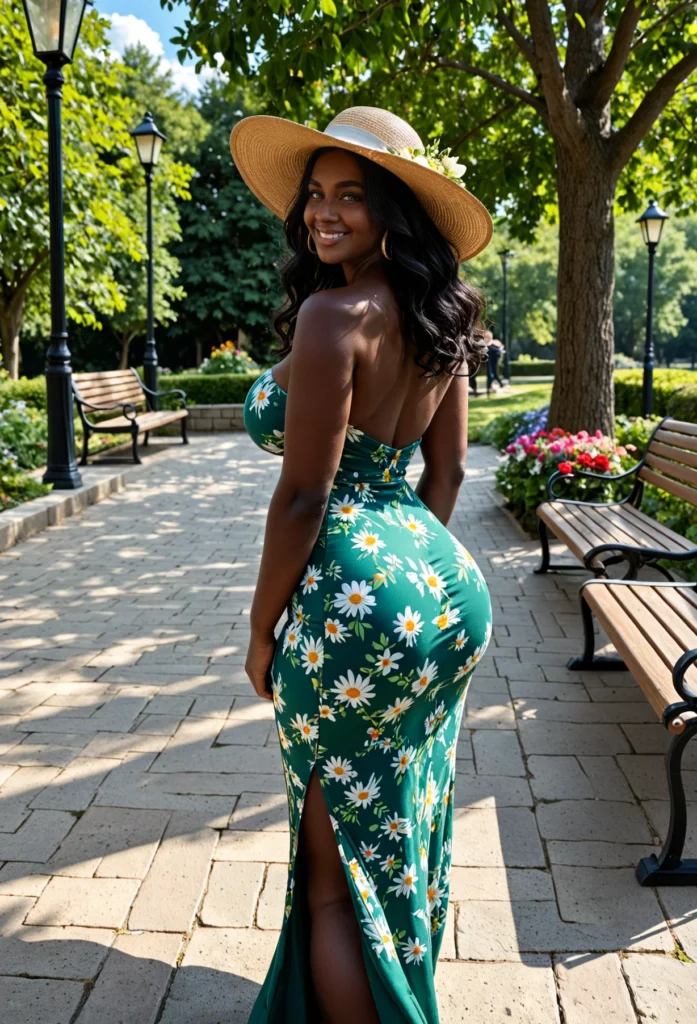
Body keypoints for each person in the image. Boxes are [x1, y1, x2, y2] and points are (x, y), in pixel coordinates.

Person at [231, 105, 494, 1024]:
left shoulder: (332, 315)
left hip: (354, 610)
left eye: (349, 194)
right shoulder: (438, 314)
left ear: (393, 210)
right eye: (315, 194)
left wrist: (261, 630)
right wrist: (405, 579)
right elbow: (444, 473)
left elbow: (304, 498)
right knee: (397, 830)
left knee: (333, 877)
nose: (322, 211)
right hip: (443, 594)